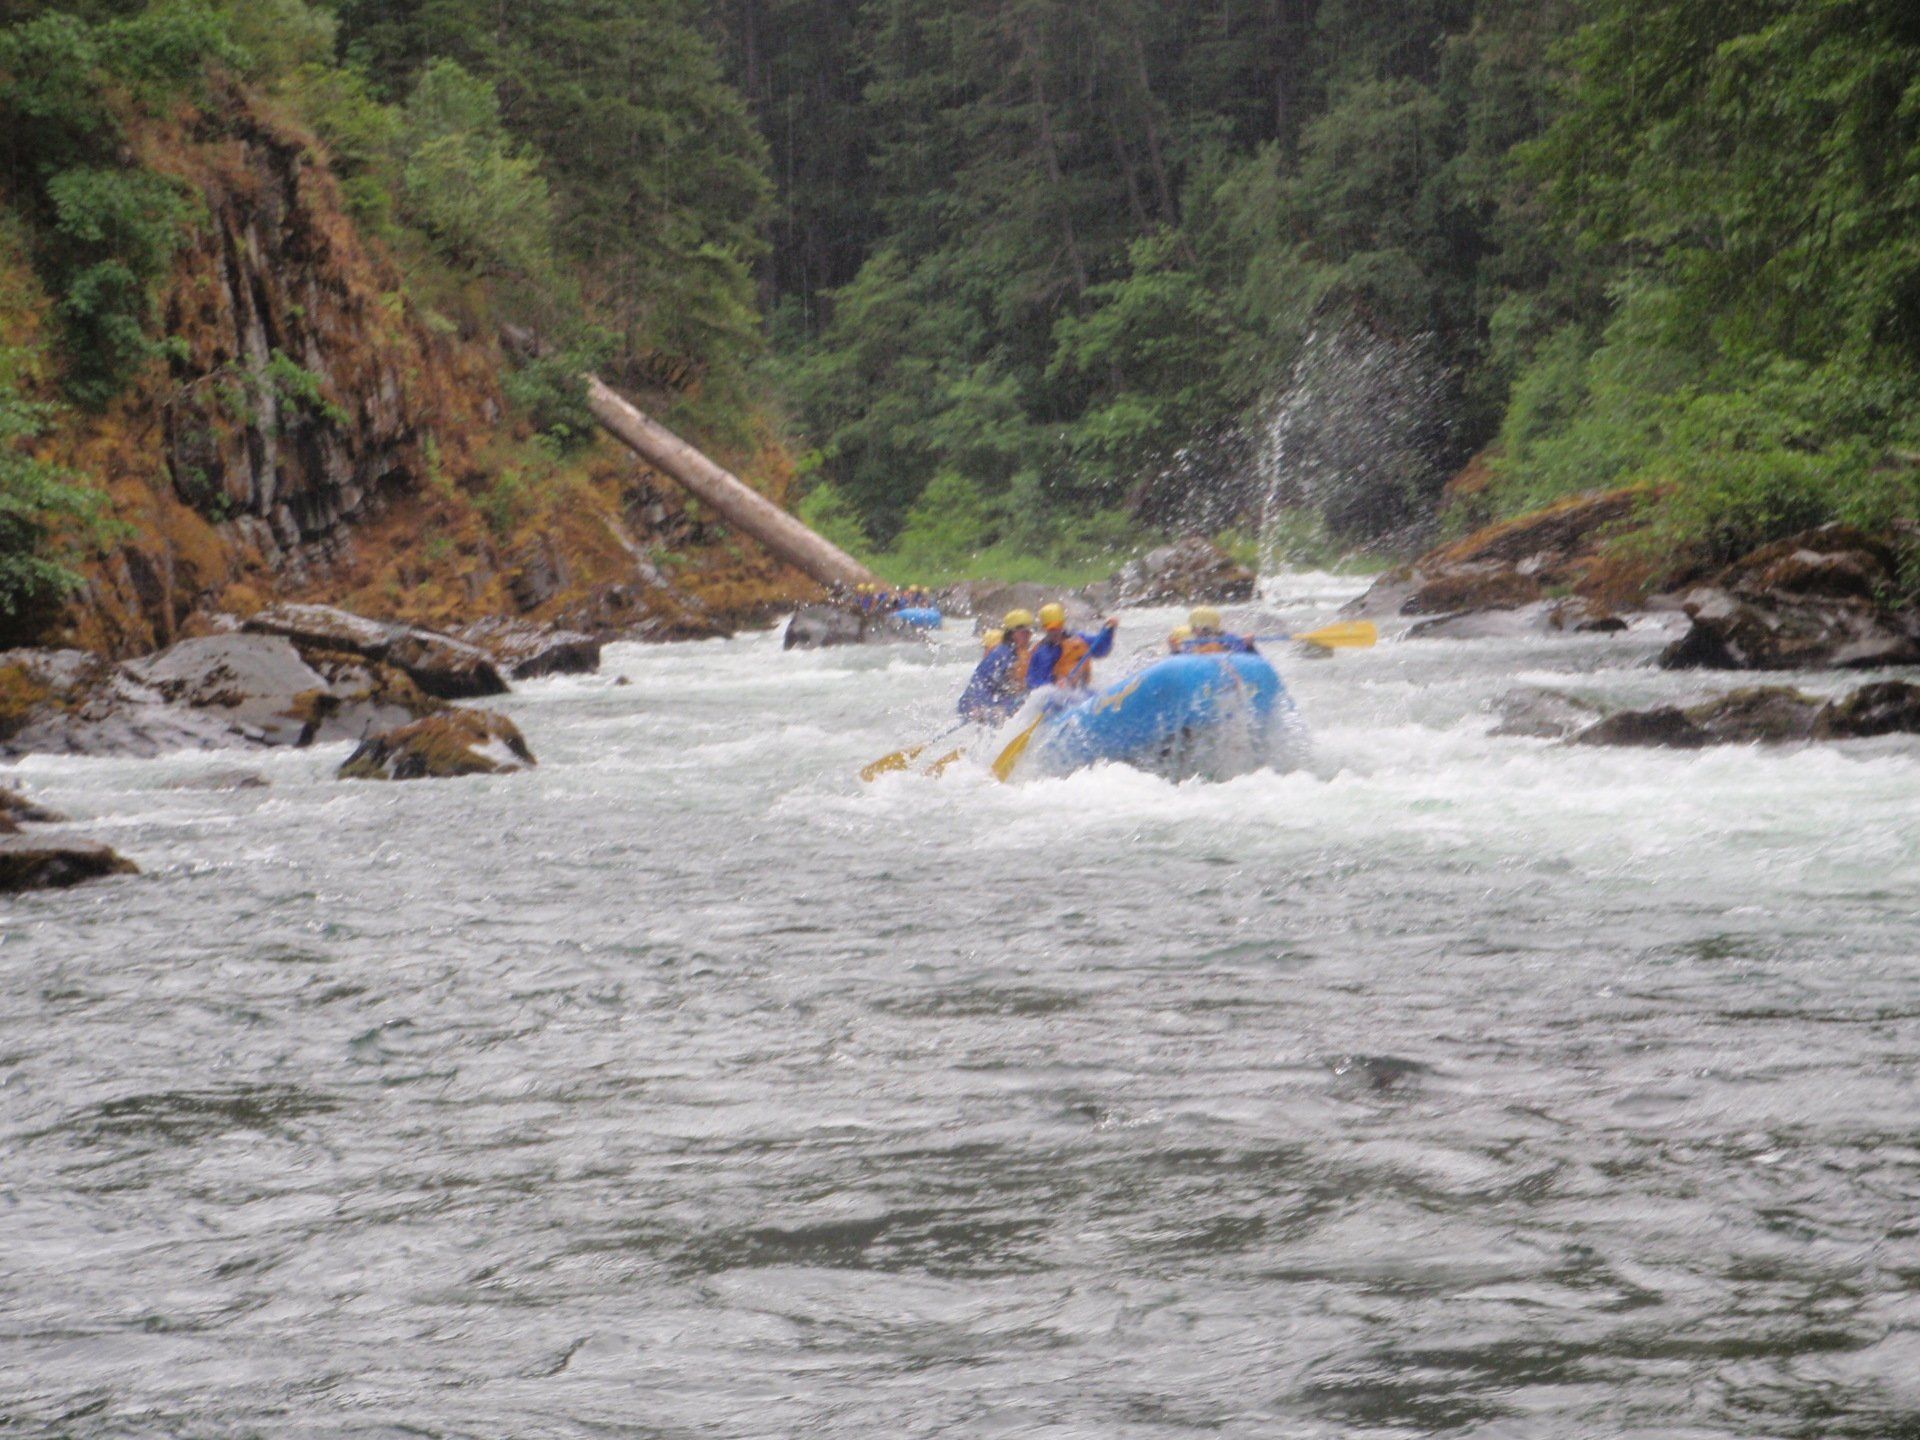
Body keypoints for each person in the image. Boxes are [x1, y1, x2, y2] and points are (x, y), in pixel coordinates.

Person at [957, 609, 1035, 722]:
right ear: (1012, 634)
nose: (1028, 635)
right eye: (1024, 632)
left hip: (991, 702)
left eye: (1029, 632)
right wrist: (978, 708)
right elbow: (980, 684)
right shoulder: (1002, 654)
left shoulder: (1016, 653)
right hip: (976, 705)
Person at [1025, 602, 1117, 691]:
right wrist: (1054, 681)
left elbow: (1102, 649)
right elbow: (1033, 682)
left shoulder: (1078, 639)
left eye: (1058, 626)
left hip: (1084, 692)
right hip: (1059, 698)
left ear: (1063, 624)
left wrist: (1109, 630)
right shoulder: (1041, 653)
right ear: (1044, 629)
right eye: (1051, 628)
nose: (1055, 632)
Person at [1175, 605, 1258, 655]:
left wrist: (1249, 646)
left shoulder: (1228, 639)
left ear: (1207, 628)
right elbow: (1180, 662)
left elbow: (1251, 659)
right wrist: (1175, 651)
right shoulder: (1192, 643)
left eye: (1194, 627)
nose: (1192, 630)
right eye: (1192, 627)